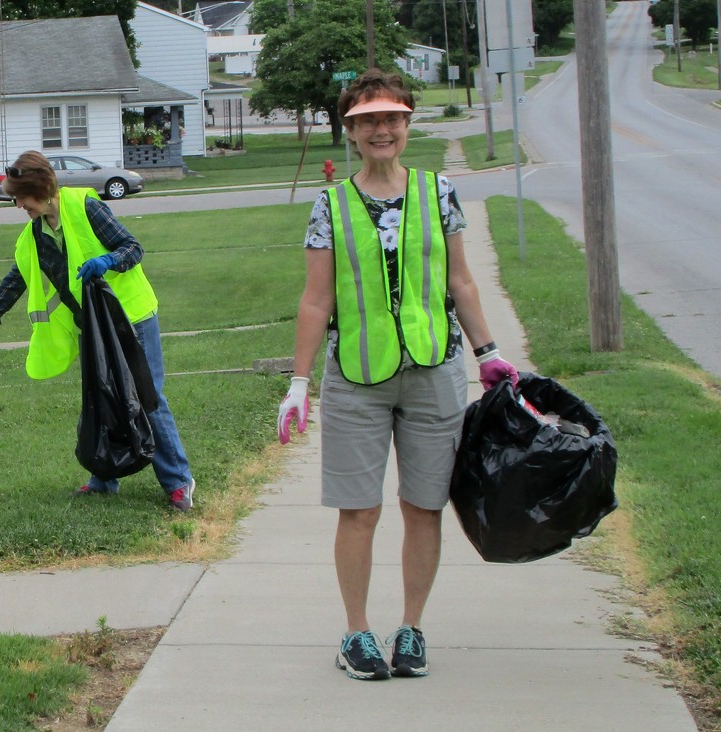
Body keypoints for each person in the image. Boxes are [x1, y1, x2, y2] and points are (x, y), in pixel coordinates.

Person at [276, 69, 518, 680]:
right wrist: (299, 384)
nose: (380, 130)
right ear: (350, 131)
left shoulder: (439, 192)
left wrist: (487, 351)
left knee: (424, 506)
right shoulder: (329, 202)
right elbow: (315, 300)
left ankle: (411, 629)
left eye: (391, 118)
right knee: (358, 510)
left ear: (408, 123)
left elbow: (459, 280)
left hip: (434, 370)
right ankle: (356, 633)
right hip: (357, 376)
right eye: (366, 121)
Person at [0, 150, 195, 511]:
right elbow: (16, 280)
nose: (18, 205)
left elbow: (133, 248)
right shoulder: (34, 236)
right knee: (103, 400)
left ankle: (178, 482)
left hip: (131, 317)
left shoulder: (85, 206)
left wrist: (108, 261)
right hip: (92, 327)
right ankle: (104, 479)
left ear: (42, 189)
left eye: (21, 197)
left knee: (148, 400)